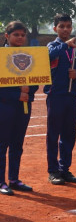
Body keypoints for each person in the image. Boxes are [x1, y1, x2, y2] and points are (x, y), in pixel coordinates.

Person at [45, 13, 76, 185]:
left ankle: (65, 169)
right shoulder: (52, 46)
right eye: (62, 26)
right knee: (53, 134)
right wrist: (65, 45)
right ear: (55, 28)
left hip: (72, 95)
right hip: (56, 95)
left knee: (69, 133)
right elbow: (48, 57)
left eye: (69, 26)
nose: (66, 29)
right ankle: (53, 171)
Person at [0, 21, 37, 195]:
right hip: (4, 106)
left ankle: (14, 179)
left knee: (17, 143)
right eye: (16, 35)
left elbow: (37, 78)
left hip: (23, 106)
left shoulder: (31, 55)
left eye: (23, 35)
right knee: (2, 144)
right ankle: (1, 181)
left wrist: (29, 92)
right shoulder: (1, 55)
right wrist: (17, 94)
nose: (20, 38)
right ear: (7, 36)